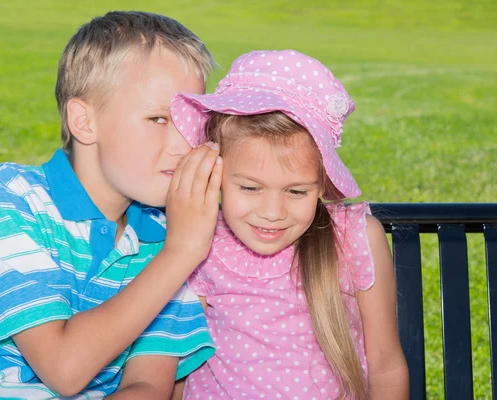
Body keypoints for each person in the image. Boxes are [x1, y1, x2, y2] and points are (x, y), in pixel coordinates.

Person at [0, 11, 224, 399]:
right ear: (84, 121)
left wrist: (177, 248)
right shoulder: (8, 196)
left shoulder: (167, 239)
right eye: (159, 118)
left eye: (191, 121)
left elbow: (147, 386)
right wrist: (182, 252)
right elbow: (64, 367)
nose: (184, 144)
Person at [170, 50, 409, 399]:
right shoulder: (202, 237)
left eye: (296, 191)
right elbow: (180, 369)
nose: (272, 212)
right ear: (217, 171)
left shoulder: (353, 238)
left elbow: (385, 367)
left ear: (322, 182)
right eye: (250, 187)